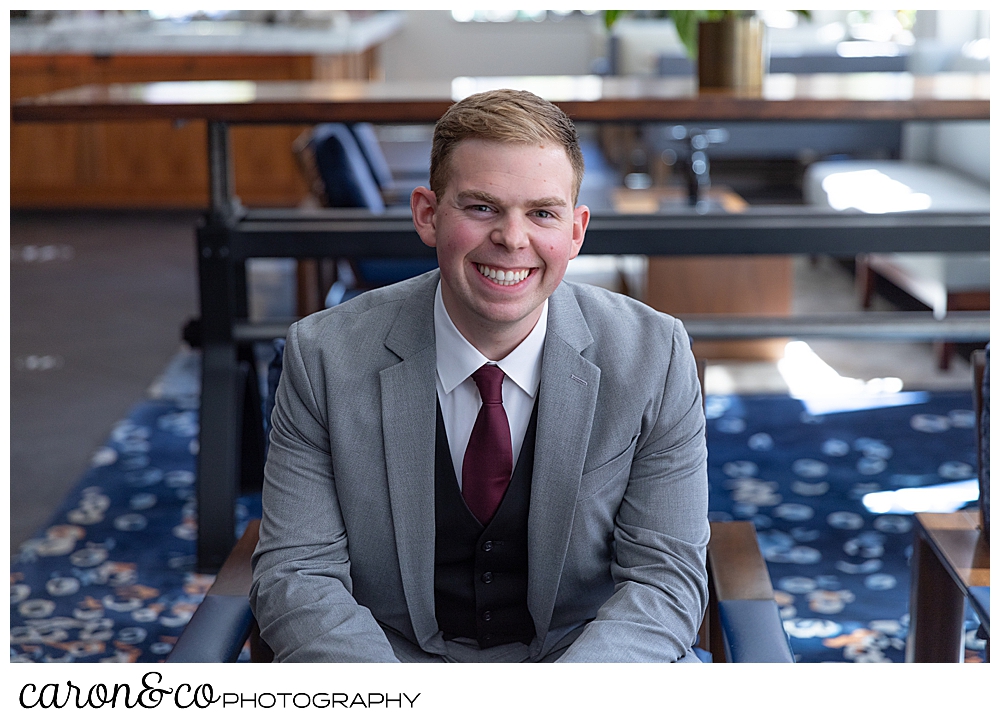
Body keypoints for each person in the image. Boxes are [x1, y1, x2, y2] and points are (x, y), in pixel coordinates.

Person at [250, 89, 709, 663]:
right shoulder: (323, 357)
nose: (513, 239)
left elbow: (663, 580)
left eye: (542, 212)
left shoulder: (654, 357)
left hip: (589, 665)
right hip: (389, 664)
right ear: (427, 214)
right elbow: (298, 572)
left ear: (575, 230)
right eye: (482, 207)